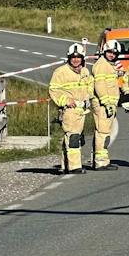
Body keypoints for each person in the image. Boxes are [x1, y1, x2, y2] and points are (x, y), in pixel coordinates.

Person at [48, 44, 93, 175]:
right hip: (69, 110)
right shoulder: (60, 72)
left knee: (72, 137)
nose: (75, 60)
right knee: (73, 137)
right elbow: (53, 90)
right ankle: (74, 167)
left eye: (78, 57)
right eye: (73, 57)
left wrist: (88, 95)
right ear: (68, 57)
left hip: (82, 110)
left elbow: (90, 84)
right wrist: (66, 101)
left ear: (82, 58)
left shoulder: (85, 71)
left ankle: (65, 165)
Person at [86, 39, 123, 171]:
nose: (112, 55)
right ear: (104, 51)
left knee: (103, 132)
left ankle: (99, 160)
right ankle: (100, 162)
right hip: (103, 105)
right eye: (109, 52)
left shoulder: (107, 64)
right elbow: (100, 85)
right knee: (103, 132)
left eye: (114, 53)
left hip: (107, 104)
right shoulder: (102, 65)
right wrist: (106, 102)